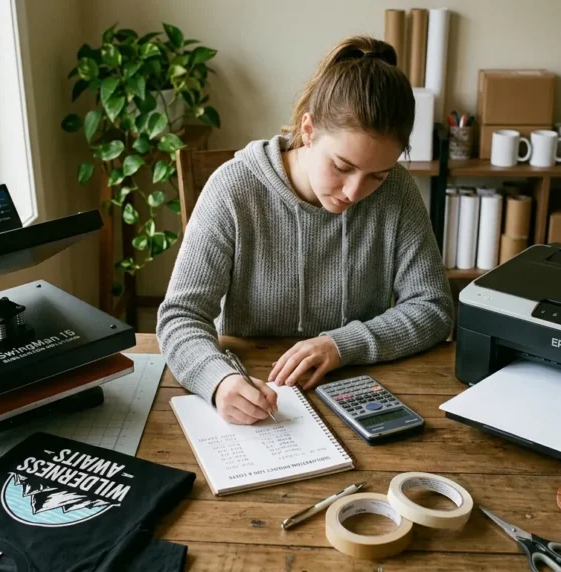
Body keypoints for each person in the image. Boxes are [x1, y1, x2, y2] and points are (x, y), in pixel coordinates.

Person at [156, 35, 453, 425]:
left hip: (361, 394)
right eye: (343, 167)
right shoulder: (233, 188)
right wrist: (219, 380)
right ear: (308, 129)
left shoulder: (397, 192)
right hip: (260, 400)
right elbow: (180, 316)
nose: (354, 192)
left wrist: (341, 345)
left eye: (376, 175)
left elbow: (433, 307)